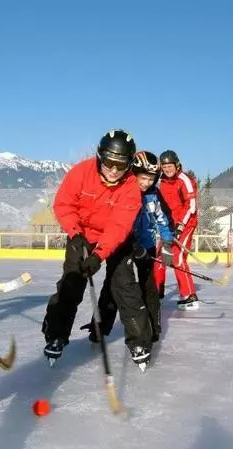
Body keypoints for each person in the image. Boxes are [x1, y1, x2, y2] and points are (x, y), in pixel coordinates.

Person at [42, 129, 151, 367]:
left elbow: (118, 226)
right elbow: (64, 204)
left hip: (114, 240)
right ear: (100, 157)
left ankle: (139, 341)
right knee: (72, 283)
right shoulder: (81, 172)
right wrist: (75, 233)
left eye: (120, 165)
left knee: (124, 286)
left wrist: (99, 255)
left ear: (129, 164)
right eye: (109, 163)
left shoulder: (131, 188)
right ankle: (56, 335)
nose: (113, 170)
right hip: (80, 234)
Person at [80, 151, 175, 356]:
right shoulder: (122, 192)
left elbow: (164, 220)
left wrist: (166, 244)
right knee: (114, 286)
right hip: (124, 245)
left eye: (151, 179)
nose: (146, 183)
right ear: (133, 174)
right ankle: (99, 327)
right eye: (142, 178)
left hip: (147, 247)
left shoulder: (154, 195)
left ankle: (153, 330)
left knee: (149, 287)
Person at [154, 149, 199, 310]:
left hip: (186, 224)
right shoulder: (161, 181)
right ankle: (156, 293)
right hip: (169, 225)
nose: (167, 169)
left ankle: (189, 295)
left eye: (170, 166)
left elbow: (191, 206)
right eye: (164, 166)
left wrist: (181, 225)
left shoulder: (184, 179)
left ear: (177, 165)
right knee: (159, 257)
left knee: (177, 257)